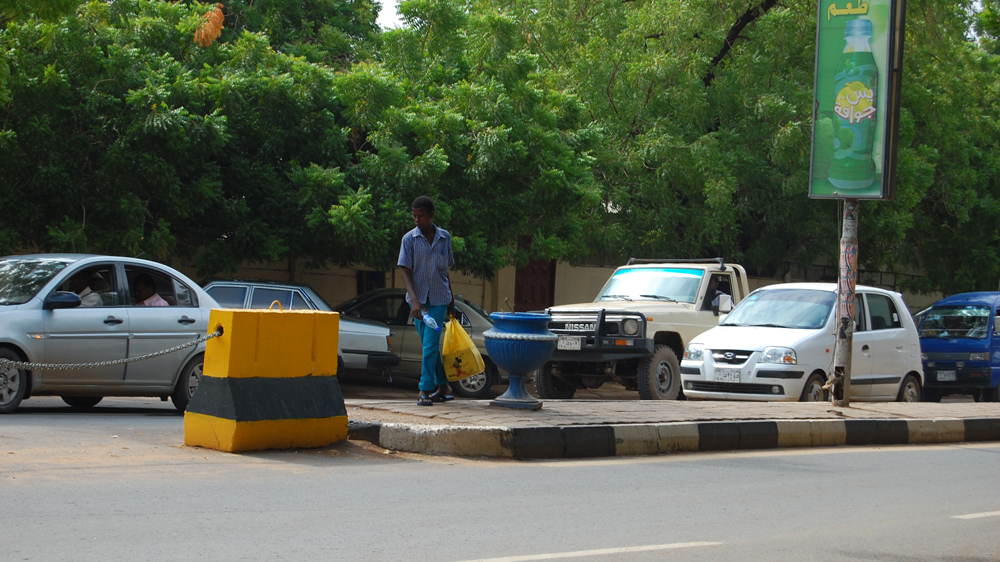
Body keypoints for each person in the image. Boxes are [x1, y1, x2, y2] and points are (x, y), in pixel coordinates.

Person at [398, 196, 456, 406]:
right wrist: (414, 301)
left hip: (439, 300)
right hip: (417, 302)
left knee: (430, 345)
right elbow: (405, 271)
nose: (416, 220)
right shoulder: (409, 239)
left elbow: (445, 272)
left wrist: (451, 300)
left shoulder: (444, 238)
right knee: (429, 346)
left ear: (431, 216)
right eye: (414, 216)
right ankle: (444, 386)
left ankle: (424, 389)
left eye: (420, 216)